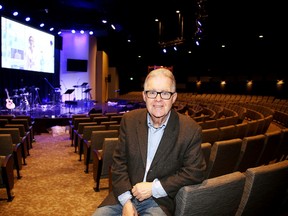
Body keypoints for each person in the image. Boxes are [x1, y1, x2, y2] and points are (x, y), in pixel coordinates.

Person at [92, 68, 206, 216]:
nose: (158, 99)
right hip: (124, 193)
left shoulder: (190, 129)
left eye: (165, 93)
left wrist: (154, 188)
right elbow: (119, 163)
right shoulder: (129, 120)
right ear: (144, 96)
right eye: (152, 92)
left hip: (160, 200)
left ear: (174, 97)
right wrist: (126, 201)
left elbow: (195, 172)